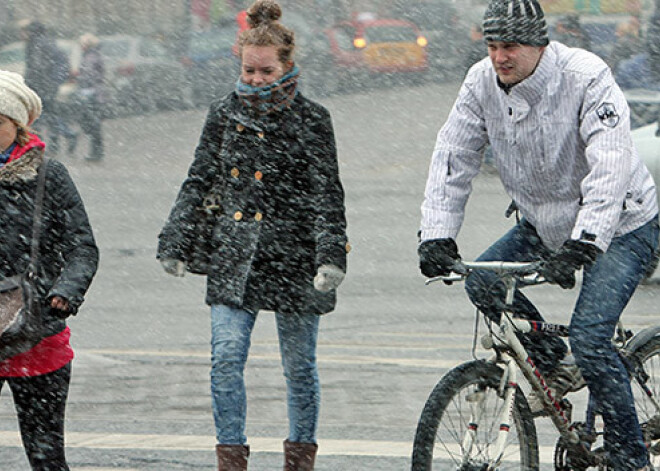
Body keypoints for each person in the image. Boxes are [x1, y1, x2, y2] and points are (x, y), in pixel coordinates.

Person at [417, 0, 658, 470]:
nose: (499, 57)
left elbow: (609, 164)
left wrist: (585, 242)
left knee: (591, 338)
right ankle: (553, 367)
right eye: (491, 45)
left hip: (623, 224)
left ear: (539, 45)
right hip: (544, 223)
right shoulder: (480, 82)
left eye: (510, 46)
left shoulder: (586, 75)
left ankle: (632, 460)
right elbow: (453, 157)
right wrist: (437, 234)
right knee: (482, 282)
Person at [157, 1, 349, 469]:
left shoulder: (313, 119)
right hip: (235, 254)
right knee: (225, 359)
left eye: (266, 71)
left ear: (287, 65)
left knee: (299, 368)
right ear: (239, 63)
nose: (257, 80)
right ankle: (231, 457)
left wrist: (331, 256)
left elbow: (328, 193)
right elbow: (199, 178)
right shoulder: (222, 114)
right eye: (249, 70)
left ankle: (299, 457)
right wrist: (175, 239)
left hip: (296, 257)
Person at [0, 70, 99, 470]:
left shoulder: (49, 176)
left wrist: (63, 294)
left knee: (46, 457)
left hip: (36, 334)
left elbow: (83, 247)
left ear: (18, 126)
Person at [19, 20, 78, 157]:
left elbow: (36, 67)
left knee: (37, 117)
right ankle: (61, 139)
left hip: (41, 86)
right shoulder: (46, 42)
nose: (23, 34)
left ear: (32, 31)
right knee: (50, 115)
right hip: (48, 86)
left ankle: (39, 145)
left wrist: (30, 84)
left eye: (26, 31)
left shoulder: (36, 44)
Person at [73, 33, 106, 162]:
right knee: (94, 124)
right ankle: (96, 152)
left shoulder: (90, 56)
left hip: (92, 94)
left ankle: (96, 152)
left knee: (92, 124)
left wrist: (79, 77)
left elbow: (90, 74)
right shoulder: (94, 55)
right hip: (96, 93)